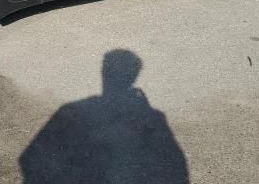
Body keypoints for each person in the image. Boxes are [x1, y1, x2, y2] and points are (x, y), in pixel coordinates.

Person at [20, 49, 189, 184]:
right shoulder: (153, 118)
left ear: (104, 74)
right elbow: (177, 168)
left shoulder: (72, 111)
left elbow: (29, 158)